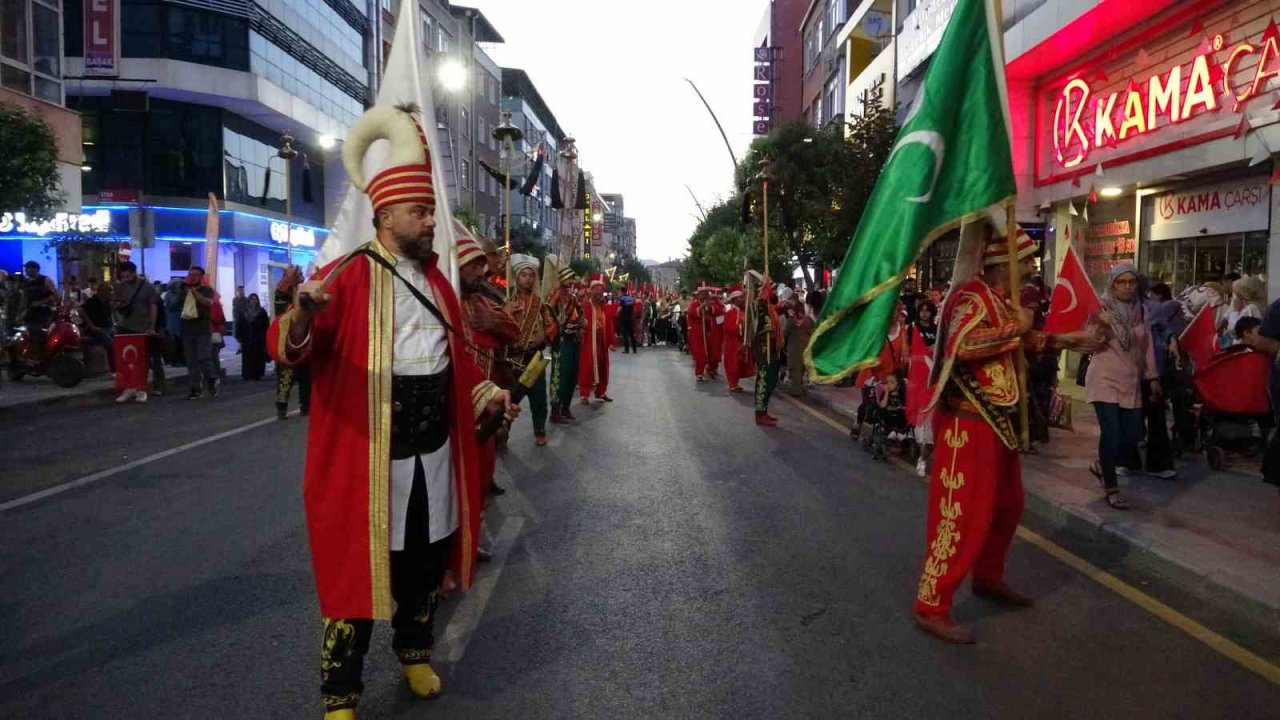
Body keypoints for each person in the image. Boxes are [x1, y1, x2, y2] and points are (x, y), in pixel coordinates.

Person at [267, 104, 518, 718]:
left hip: (432, 450)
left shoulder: (439, 285)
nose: (430, 221)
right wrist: (302, 316)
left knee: (421, 564)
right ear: (384, 214)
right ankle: (340, 693)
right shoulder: (346, 275)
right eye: (420, 211)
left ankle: (414, 653)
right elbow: (288, 347)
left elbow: (453, 365)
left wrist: (487, 395)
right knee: (358, 574)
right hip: (368, 458)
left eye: (431, 210)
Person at [914, 222, 1100, 644]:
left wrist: (1061, 341)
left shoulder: (1001, 300)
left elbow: (1014, 341)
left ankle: (989, 576)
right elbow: (963, 347)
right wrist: (1018, 327)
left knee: (1007, 505)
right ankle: (932, 604)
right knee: (958, 514)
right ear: (1005, 264)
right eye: (1027, 262)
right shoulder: (970, 296)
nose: (1033, 268)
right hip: (967, 422)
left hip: (997, 422)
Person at [1085, 265, 1165, 508]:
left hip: (1131, 381)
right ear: (1113, 284)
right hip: (1104, 378)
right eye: (1122, 282)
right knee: (1112, 433)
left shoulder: (1141, 310)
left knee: (1132, 436)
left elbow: (1147, 345)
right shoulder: (1100, 308)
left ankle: (1103, 463)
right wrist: (1100, 324)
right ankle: (1112, 487)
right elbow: (1086, 342)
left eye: (1132, 282)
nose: (1127, 286)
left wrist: (1152, 377)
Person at [506, 253, 557, 446]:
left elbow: (552, 326)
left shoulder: (541, 304)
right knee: (509, 399)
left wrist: (541, 337)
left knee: (538, 400)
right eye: (523, 275)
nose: (527, 279)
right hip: (512, 360)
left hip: (534, 359)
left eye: (531, 275)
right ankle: (503, 431)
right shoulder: (506, 301)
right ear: (517, 277)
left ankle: (539, 430)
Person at [112, 261, 164, 400]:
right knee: (126, 358)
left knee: (143, 359)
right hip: (125, 326)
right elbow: (114, 304)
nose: (126, 279)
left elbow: (153, 307)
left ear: (134, 272)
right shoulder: (120, 286)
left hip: (143, 328)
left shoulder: (147, 287)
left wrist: (151, 326)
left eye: (129, 276)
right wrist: (120, 305)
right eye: (124, 277)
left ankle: (141, 388)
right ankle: (129, 387)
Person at [749, 274, 786, 426]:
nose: (775, 291)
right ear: (765, 291)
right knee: (764, 381)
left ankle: (764, 411)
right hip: (765, 352)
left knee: (772, 381)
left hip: (773, 350)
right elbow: (760, 324)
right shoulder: (760, 305)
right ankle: (760, 413)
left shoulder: (770, 306)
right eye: (772, 289)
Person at [548, 268, 583, 424]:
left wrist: (581, 324)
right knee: (559, 376)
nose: (571, 282)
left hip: (574, 340)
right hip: (561, 341)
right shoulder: (554, 295)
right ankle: (555, 411)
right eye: (569, 278)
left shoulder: (573, 297)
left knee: (572, 376)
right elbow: (547, 314)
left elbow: (580, 313)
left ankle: (566, 407)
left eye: (572, 279)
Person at [178, 266, 218, 399]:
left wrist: (195, 293)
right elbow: (173, 305)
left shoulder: (207, 290)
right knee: (191, 360)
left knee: (203, 357)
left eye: (196, 275)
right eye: (191, 274)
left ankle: (211, 379)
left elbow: (208, 303)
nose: (193, 277)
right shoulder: (183, 290)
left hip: (203, 328)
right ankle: (195, 388)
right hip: (187, 328)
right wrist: (181, 291)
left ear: (202, 277)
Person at [578, 274, 615, 404]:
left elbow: (609, 324)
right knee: (587, 366)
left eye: (601, 291)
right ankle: (584, 394)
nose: (599, 293)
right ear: (591, 290)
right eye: (597, 290)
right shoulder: (585, 305)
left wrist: (611, 342)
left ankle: (601, 392)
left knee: (602, 367)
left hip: (601, 341)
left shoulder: (604, 307)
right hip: (588, 340)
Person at [79, 278, 115, 372]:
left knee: (116, 335)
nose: (110, 294)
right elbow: (81, 310)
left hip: (107, 327)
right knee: (108, 340)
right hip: (95, 329)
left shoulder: (106, 303)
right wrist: (91, 325)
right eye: (108, 292)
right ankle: (114, 367)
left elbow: (109, 316)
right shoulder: (92, 302)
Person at [1222, 276, 1265, 348]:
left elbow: (1233, 330)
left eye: (1236, 293)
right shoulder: (1251, 306)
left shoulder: (1251, 308)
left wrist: (1235, 311)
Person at [19, 261, 57, 338]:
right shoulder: (25, 282)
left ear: (35, 269)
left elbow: (56, 295)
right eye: (26, 268)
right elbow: (23, 298)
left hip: (43, 313)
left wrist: (42, 302)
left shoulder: (45, 280)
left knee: (38, 334)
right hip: (29, 314)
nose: (26, 270)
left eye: (28, 268)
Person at [722, 285, 748, 393]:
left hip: (741, 341)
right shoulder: (730, 313)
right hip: (732, 342)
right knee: (733, 362)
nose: (742, 300)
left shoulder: (743, 312)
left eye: (742, 297)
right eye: (740, 298)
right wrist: (740, 326)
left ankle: (735, 383)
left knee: (739, 362)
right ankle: (732, 384)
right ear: (734, 300)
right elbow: (729, 327)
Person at [240, 293, 270, 380]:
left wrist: (265, 336)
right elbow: (240, 324)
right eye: (252, 299)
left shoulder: (261, 311)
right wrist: (239, 336)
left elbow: (266, 325)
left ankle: (257, 374)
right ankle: (247, 374)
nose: (254, 300)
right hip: (247, 338)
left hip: (258, 338)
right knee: (247, 357)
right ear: (249, 300)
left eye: (255, 299)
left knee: (258, 356)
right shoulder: (244, 312)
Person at [687, 285, 712, 380]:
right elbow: (691, 314)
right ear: (699, 295)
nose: (704, 296)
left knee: (708, 352)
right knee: (699, 353)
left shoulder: (709, 304)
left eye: (706, 294)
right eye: (702, 294)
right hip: (697, 331)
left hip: (707, 332)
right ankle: (699, 372)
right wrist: (701, 308)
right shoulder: (694, 304)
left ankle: (708, 368)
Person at [618, 289, 638, 353]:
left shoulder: (622, 299)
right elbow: (634, 309)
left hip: (624, 318)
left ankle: (626, 349)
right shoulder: (631, 298)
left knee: (625, 334)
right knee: (631, 334)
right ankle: (634, 349)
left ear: (622, 292)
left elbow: (620, 308)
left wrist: (617, 313)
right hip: (630, 318)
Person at [232, 286, 248, 354]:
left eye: (242, 290)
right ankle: (240, 346)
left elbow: (247, 309)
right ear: (237, 291)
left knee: (243, 333)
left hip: (244, 319)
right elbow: (234, 308)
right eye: (239, 290)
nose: (241, 292)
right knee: (237, 333)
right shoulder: (235, 299)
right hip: (237, 318)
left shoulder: (246, 299)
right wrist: (234, 316)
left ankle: (241, 347)